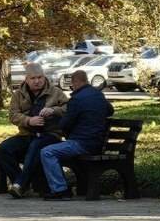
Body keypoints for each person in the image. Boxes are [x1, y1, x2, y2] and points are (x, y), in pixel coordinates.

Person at [0, 62, 69, 199]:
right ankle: (22, 182)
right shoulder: (18, 94)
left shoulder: (56, 92)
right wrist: (28, 120)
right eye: (33, 78)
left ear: (44, 77)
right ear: (26, 79)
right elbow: (13, 115)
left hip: (50, 134)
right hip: (27, 133)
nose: (37, 81)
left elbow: (68, 108)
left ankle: (20, 184)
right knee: (3, 149)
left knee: (35, 147)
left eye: (40, 77)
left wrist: (53, 110)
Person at [40, 69, 114, 200]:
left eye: (72, 84)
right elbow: (110, 111)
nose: (72, 87)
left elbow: (65, 124)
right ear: (86, 80)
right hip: (97, 142)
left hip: (82, 144)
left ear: (75, 82)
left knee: (47, 152)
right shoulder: (98, 95)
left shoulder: (76, 99)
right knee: (57, 150)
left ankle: (60, 190)